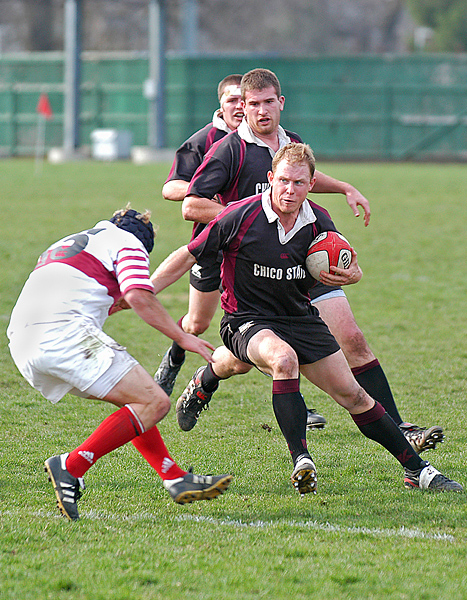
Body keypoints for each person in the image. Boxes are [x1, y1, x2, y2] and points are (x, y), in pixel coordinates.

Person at [154, 67, 443, 453]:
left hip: (303, 259)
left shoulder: (292, 144)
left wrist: (343, 188)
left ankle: (401, 428)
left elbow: (305, 175)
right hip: (252, 266)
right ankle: (205, 379)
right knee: (239, 360)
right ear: (242, 106)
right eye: (252, 104)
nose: (260, 111)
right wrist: (249, 214)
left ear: (281, 103)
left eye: (268, 103)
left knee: (353, 338)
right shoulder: (229, 149)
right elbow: (190, 204)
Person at [150, 143, 461, 495]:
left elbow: (349, 266)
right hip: (246, 318)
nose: (289, 190)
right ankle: (302, 459)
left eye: (299, 183)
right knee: (283, 359)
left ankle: (417, 471)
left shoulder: (319, 220)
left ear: (311, 184)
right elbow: (187, 255)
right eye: (283, 181)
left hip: (299, 317)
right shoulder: (239, 215)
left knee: (354, 396)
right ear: (270, 179)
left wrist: (352, 274)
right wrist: (142, 291)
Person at [7, 206, 233, 521]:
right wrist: (183, 338)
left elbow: (112, 297)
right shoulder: (129, 243)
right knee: (155, 401)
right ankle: (70, 467)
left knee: (138, 400)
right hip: (63, 333)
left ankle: (174, 478)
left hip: (22, 341)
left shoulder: (79, 241)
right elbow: (138, 295)